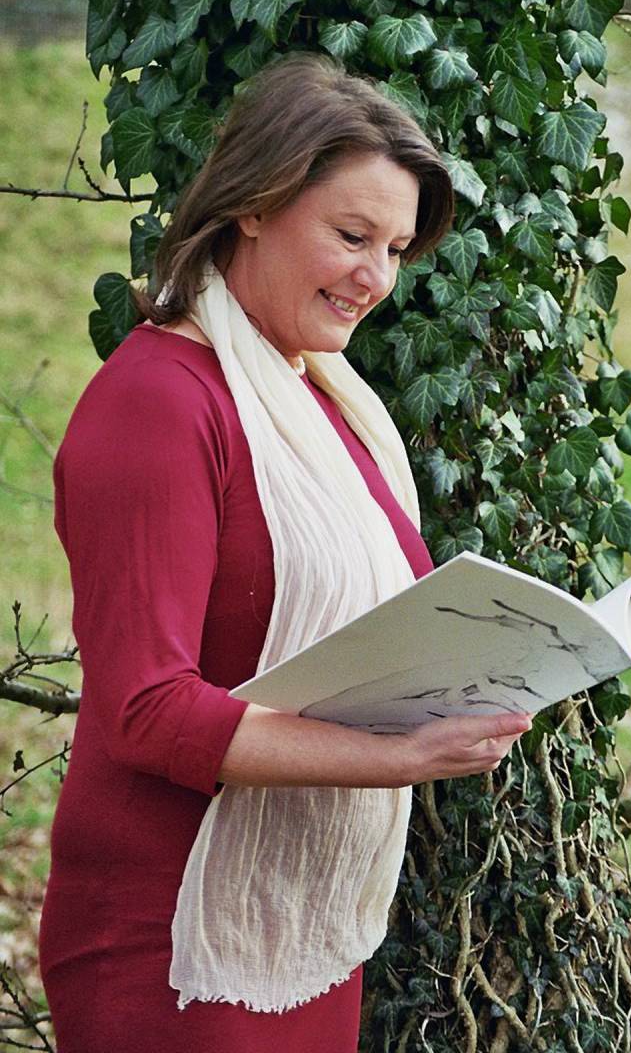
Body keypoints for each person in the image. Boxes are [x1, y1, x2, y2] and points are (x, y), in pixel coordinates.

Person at [38, 52, 533, 1053]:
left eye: (395, 249)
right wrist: (395, 759)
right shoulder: (159, 404)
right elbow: (144, 710)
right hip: (169, 935)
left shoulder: (319, 402)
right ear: (255, 205)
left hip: (295, 926)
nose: (375, 278)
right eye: (351, 236)